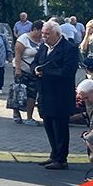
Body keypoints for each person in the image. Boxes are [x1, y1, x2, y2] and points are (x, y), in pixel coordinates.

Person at [34, 20, 78, 170]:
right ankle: (54, 154)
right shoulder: (43, 47)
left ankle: (61, 158)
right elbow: (35, 62)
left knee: (60, 128)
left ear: (57, 34)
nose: (44, 37)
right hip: (45, 93)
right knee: (48, 125)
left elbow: (67, 72)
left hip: (60, 95)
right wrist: (35, 70)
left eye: (47, 34)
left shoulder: (69, 48)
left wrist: (46, 72)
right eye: (43, 33)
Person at [12, 23, 42, 125]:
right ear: (35, 29)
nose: (41, 34)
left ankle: (29, 117)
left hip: (34, 71)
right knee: (19, 91)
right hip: (22, 68)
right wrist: (18, 69)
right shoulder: (23, 39)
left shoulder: (42, 40)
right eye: (40, 32)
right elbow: (18, 55)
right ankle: (16, 112)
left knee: (32, 93)